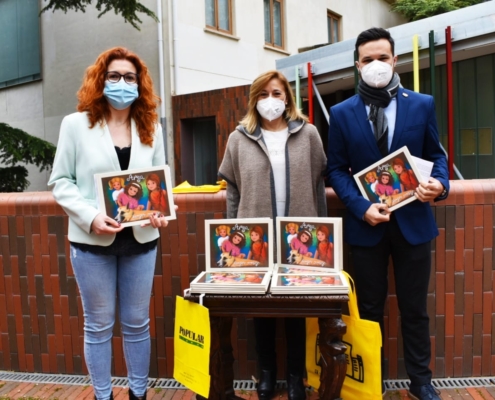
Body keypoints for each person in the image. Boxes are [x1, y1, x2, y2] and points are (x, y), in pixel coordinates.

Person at [327, 28, 449, 400]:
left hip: (413, 224)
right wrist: (362, 208)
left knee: (415, 310)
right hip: (367, 228)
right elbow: (335, 169)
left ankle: (421, 383)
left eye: (383, 57)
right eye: (368, 59)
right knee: (368, 310)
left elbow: (438, 156)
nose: (376, 65)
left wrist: (440, 186)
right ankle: (370, 383)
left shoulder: (421, 104)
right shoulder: (341, 113)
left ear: (395, 60)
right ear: (357, 65)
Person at [48, 47, 173, 400]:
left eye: (129, 77)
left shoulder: (151, 127)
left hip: (141, 240)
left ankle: (138, 393)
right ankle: (103, 395)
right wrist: (90, 215)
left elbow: (158, 180)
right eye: (114, 76)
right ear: (101, 79)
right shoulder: (76, 124)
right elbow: (60, 181)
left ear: (140, 83)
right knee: (98, 326)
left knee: (137, 324)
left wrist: (158, 210)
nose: (122, 83)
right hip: (92, 242)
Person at [218, 70, 327, 400]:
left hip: (300, 236)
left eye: (277, 93)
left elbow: (319, 183)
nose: (271, 100)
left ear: (287, 98)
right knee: (260, 306)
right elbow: (232, 190)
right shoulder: (239, 138)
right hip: (255, 238)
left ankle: (295, 376)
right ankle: (265, 373)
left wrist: (322, 235)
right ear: (254, 100)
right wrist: (232, 238)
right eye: (263, 94)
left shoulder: (308, 134)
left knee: (296, 305)